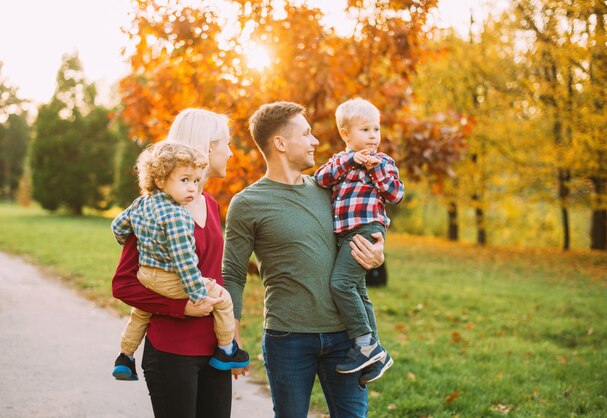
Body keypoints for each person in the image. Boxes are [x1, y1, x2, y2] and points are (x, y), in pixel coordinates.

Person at [222, 102, 385, 418]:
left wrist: (378, 253)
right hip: (288, 339)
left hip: (345, 338)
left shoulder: (332, 190)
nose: (316, 142)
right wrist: (231, 331)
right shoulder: (247, 203)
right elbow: (233, 273)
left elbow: (366, 225)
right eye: (307, 134)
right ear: (280, 143)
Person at [111, 108, 238, 418]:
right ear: (207, 148)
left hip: (214, 352)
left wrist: (231, 335)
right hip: (171, 351)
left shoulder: (210, 203)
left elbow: (213, 272)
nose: (231, 152)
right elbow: (123, 284)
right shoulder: (153, 210)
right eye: (227, 143)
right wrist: (180, 308)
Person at [313, 98, 404, 384]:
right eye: (365, 130)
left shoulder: (385, 162)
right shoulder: (340, 163)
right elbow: (320, 179)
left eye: (376, 129)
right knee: (357, 288)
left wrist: (375, 169)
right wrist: (351, 160)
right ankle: (374, 352)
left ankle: (365, 345)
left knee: (340, 284)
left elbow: (396, 194)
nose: (373, 136)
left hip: (367, 229)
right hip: (346, 233)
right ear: (346, 134)